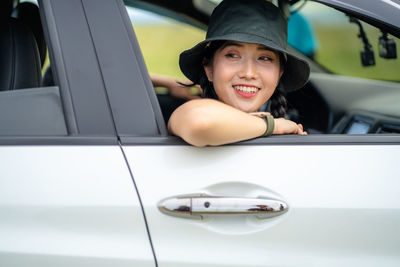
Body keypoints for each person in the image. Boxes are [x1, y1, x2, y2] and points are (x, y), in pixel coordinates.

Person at [163, 0, 310, 147]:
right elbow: (200, 121)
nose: (248, 73)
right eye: (232, 55)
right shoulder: (189, 114)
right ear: (208, 68)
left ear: (279, 73)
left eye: (265, 58)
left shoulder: (290, 131)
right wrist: (272, 126)